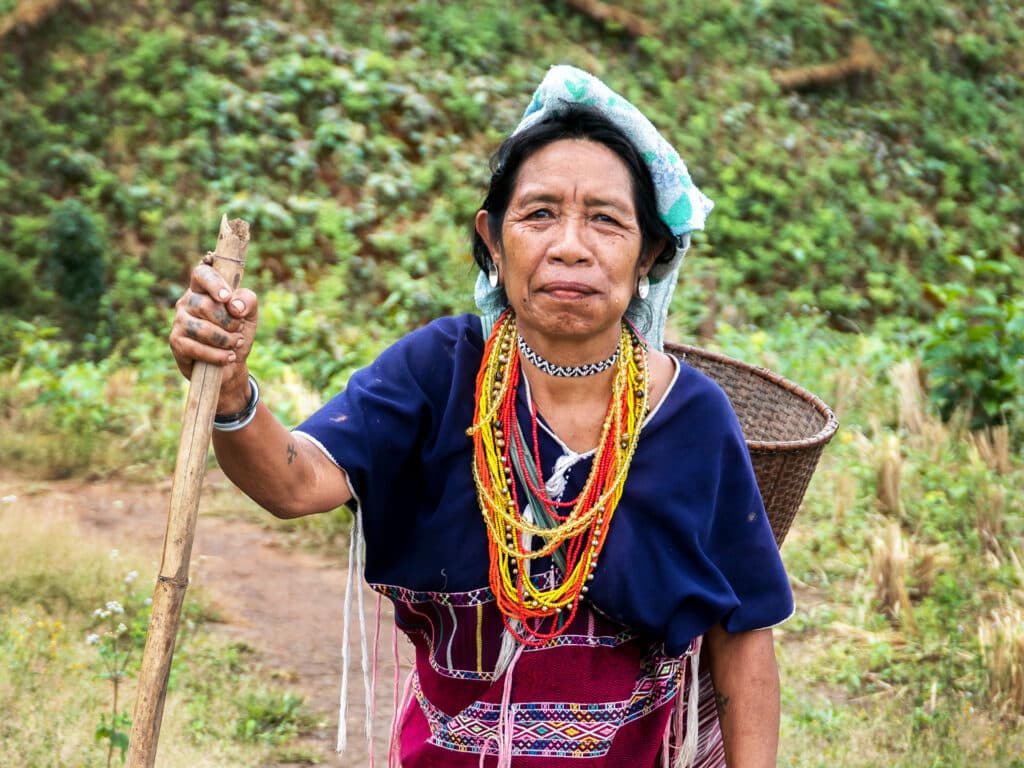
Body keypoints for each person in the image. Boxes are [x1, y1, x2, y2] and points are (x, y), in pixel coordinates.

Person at [169, 65, 793, 768]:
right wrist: (230, 393)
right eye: (539, 213)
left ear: (648, 254)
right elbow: (294, 482)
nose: (570, 245)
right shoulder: (439, 371)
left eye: (606, 220)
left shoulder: (693, 417)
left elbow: (742, 635)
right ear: (493, 240)